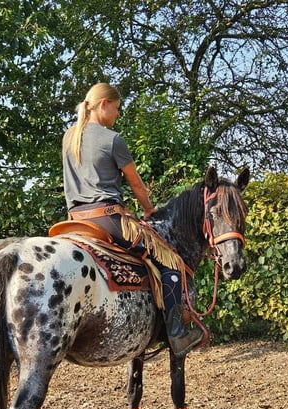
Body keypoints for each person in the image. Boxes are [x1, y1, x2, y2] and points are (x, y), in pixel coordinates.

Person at [62, 82, 202, 357]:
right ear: (104, 105)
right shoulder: (113, 139)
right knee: (171, 263)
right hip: (108, 219)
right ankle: (176, 334)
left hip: (74, 221)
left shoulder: (69, 137)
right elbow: (136, 184)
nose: (117, 115)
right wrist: (148, 210)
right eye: (116, 108)